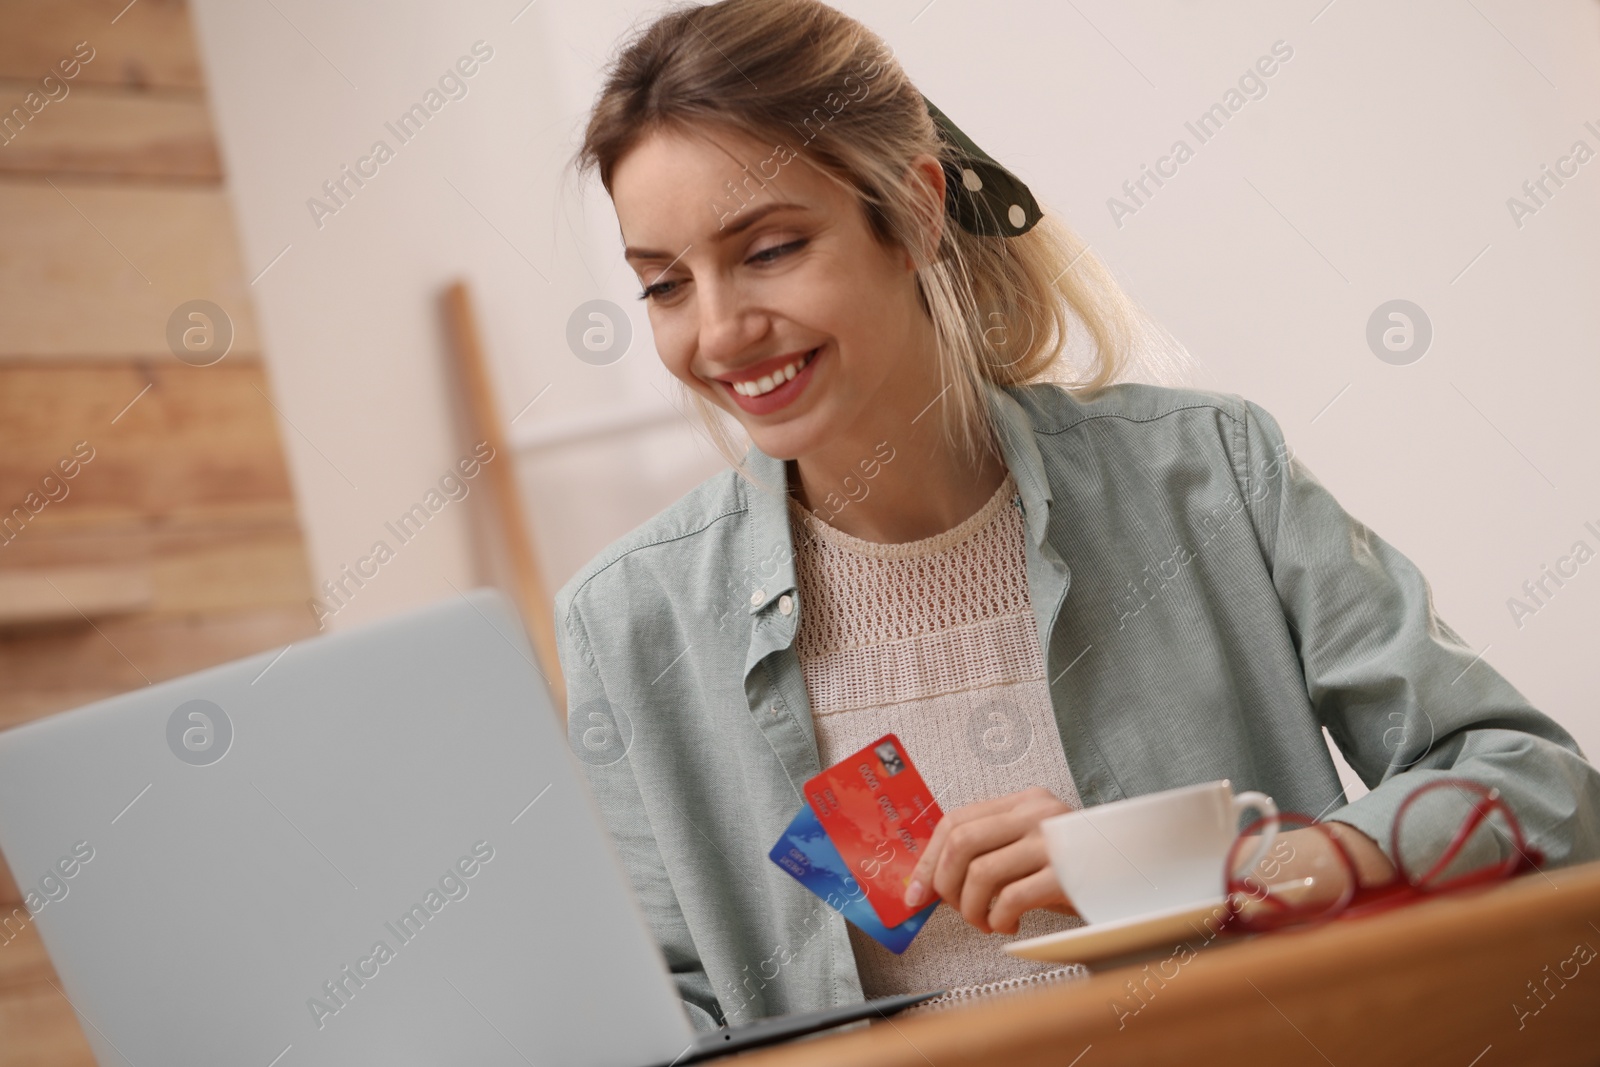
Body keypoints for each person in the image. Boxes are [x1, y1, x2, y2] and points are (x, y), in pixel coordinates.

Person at [554, 0, 1600, 1031]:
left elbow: (1543, 791)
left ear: (914, 213)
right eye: (664, 285)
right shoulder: (627, 623)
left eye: (770, 248)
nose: (721, 329)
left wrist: (1208, 870)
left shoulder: (1209, 473)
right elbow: (661, 1021)